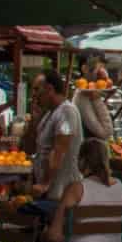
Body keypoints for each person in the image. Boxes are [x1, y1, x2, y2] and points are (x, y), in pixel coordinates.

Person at [31, 69, 83, 210]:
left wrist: (45, 183)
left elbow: (60, 148)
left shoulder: (67, 112)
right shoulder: (50, 113)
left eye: (37, 89)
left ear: (50, 89)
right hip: (49, 191)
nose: (34, 94)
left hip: (61, 190)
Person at [74, 59, 115, 142]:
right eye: (99, 70)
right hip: (88, 150)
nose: (103, 75)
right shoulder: (82, 97)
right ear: (84, 69)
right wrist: (96, 99)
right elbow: (106, 132)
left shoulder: (90, 93)